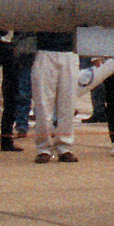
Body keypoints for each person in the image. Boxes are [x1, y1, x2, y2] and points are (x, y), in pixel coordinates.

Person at [29, 31, 79, 163]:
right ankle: (43, 148)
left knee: (68, 104)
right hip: (45, 50)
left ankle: (65, 147)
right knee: (43, 105)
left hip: (70, 51)